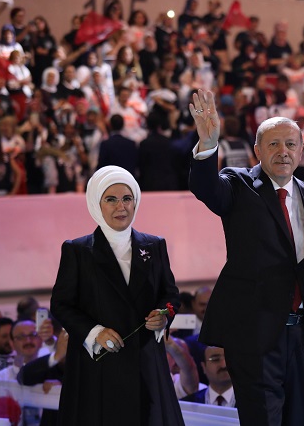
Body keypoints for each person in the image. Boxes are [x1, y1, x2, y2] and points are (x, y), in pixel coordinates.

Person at [188, 89, 304, 426]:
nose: (283, 152)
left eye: (291, 144)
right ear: (257, 151)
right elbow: (206, 189)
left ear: (302, 151)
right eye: (274, 144)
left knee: (296, 419)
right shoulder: (237, 184)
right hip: (253, 334)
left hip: (302, 336)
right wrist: (207, 146)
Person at [50, 165, 184, 426]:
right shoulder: (77, 250)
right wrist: (94, 331)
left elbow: (171, 295)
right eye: (111, 199)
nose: (121, 207)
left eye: (127, 198)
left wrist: (164, 315)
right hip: (98, 365)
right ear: (95, 203)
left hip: (146, 363)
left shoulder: (155, 245)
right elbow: (61, 304)